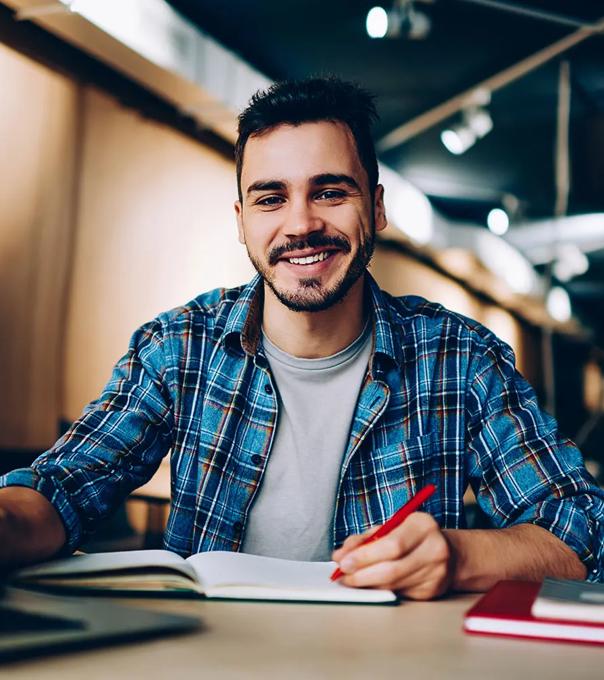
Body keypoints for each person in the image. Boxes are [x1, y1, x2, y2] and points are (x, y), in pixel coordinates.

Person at [0, 78, 602, 599]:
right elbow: (63, 488)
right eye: (271, 198)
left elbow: (580, 527)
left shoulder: (460, 358)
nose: (301, 224)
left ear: (377, 206)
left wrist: (460, 556)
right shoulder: (178, 347)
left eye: (331, 192)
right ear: (241, 221)